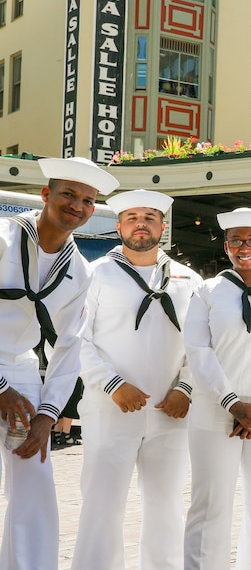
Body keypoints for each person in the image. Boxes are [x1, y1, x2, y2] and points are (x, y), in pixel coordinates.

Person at [73, 189, 203, 570]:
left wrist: (186, 387)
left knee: (166, 508)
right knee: (102, 505)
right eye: (132, 217)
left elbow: (203, 345)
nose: (140, 223)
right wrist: (112, 384)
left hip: (170, 413)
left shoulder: (188, 279)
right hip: (109, 410)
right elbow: (74, 342)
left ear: (163, 226)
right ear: (118, 226)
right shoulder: (94, 275)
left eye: (150, 216)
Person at [0, 157, 118, 570]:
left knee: (35, 481)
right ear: (46, 194)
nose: (78, 205)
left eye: (88, 200)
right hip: (2, 380)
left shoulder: (80, 271)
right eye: (69, 193)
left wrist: (49, 415)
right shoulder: (2, 238)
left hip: (21, 370)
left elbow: (69, 346)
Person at [183, 208, 251, 570]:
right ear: (226, 246)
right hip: (215, 410)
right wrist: (232, 402)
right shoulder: (206, 291)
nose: (244, 247)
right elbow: (198, 350)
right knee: (209, 504)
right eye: (236, 240)